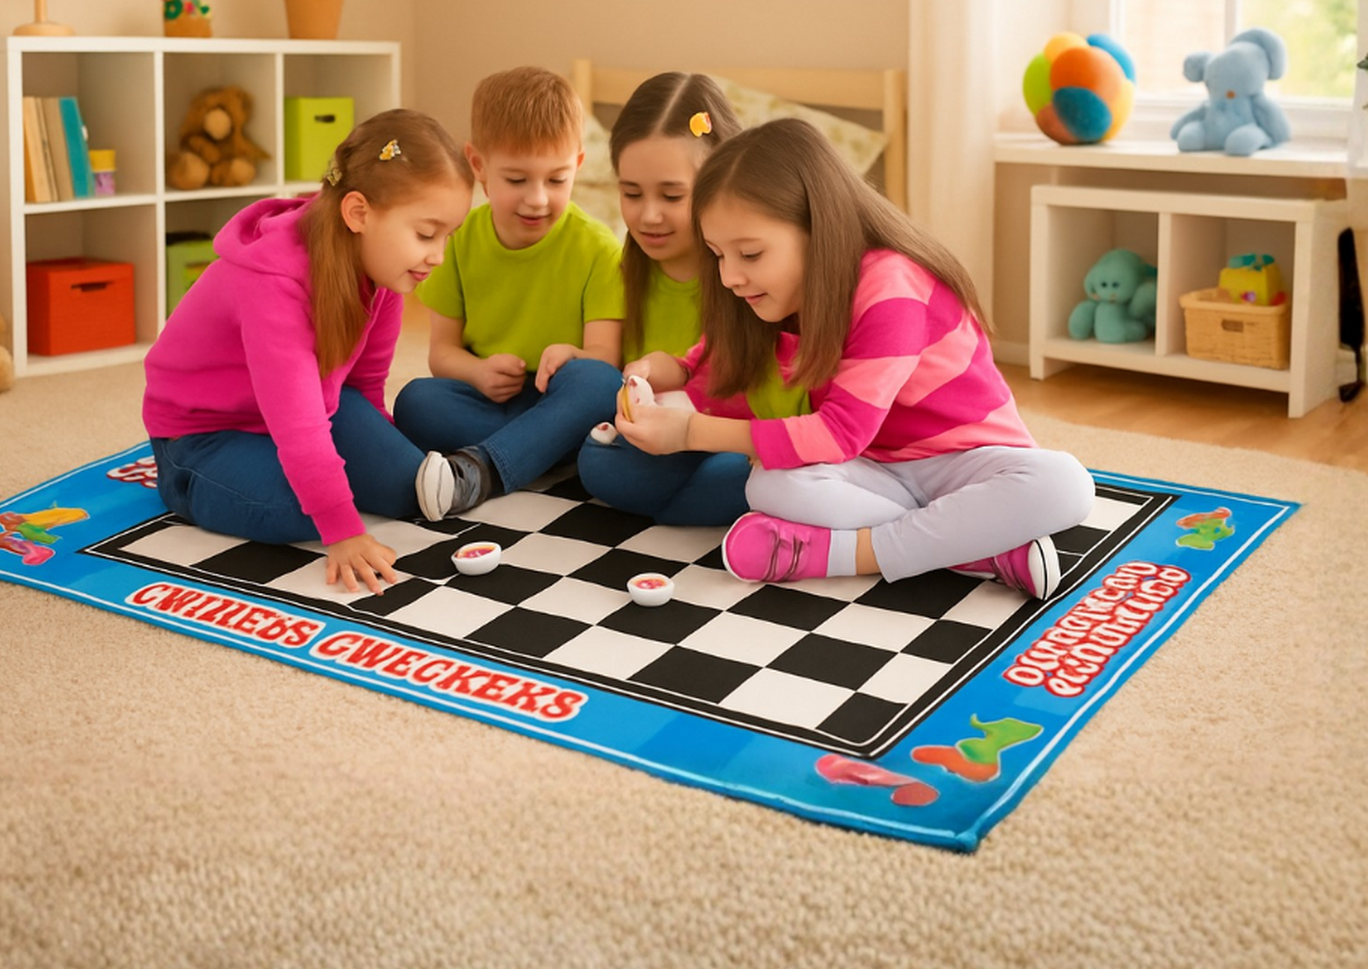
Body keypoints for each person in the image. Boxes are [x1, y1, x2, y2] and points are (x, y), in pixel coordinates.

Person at [616, 118, 1095, 598]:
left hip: (968, 462)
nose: (729, 277)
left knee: (1066, 485)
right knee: (766, 486)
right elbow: (721, 363)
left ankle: (847, 555)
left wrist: (688, 433)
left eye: (750, 254)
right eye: (719, 255)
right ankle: (979, 550)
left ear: (817, 227)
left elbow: (838, 431)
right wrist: (672, 369)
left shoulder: (892, 285)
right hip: (878, 469)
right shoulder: (787, 293)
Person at [142, 109, 473, 596]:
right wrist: (342, 531)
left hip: (308, 409)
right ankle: (187, 485)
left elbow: (363, 387)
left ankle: (326, 476)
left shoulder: (384, 269)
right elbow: (298, 426)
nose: (438, 255)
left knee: (402, 485)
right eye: (426, 234)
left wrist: (376, 454)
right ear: (358, 212)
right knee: (300, 511)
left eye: (448, 236)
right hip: (203, 435)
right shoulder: (273, 285)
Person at [394, 66, 625, 519]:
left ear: (578, 165)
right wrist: (479, 373)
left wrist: (572, 355)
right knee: (415, 401)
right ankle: (539, 449)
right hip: (493, 403)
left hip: (562, 398)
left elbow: (605, 358)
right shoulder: (458, 240)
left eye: (556, 180)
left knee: (599, 383)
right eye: (517, 180)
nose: (537, 199)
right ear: (478, 165)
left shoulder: (599, 248)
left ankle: (482, 469)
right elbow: (442, 354)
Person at [577, 72, 773, 527]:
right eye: (630, 193)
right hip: (655, 445)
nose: (648, 215)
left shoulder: (750, 276)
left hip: (732, 443)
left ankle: (678, 508)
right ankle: (698, 507)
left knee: (746, 474)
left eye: (671, 195)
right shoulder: (617, 270)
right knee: (598, 461)